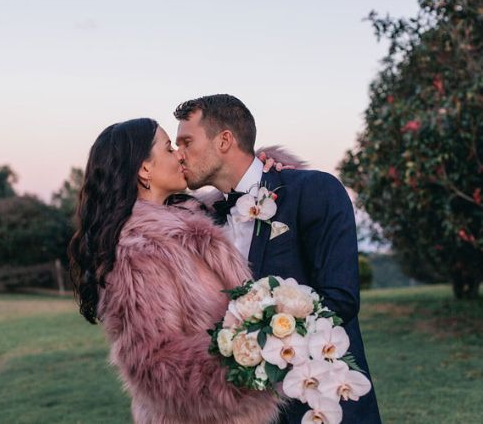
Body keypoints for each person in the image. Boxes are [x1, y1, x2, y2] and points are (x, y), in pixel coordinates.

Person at [174, 94, 382, 424]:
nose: (179, 154)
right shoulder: (202, 223)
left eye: (186, 141)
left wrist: (250, 340)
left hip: (324, 403)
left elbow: (340, 300)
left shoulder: (314, 190)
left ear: (224, 140)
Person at [68, 118, 284, 424]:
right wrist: (250, 364)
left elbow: (238, 195)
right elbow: (153, 361)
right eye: (169, 148)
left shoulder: (191, 219)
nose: (179, 155)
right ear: (145, 169)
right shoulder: (139, 251)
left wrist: (260, 167)